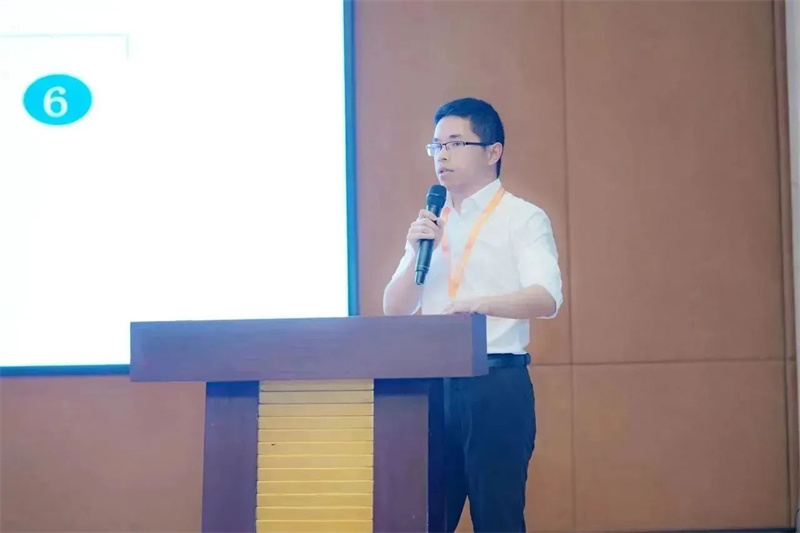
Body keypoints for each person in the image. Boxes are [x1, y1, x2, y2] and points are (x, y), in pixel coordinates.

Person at [382, 97, 563, 532]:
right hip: (432, 389)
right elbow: (395, 307)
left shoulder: (522, 218)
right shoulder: (430, 223)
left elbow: (546, 298)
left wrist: (479, 304)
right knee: (424, 519)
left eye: (455, 143)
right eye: (436, 145)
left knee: (497, 519)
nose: (442, 155)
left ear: (492, 151)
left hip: (494, 385)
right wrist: (415, 251)